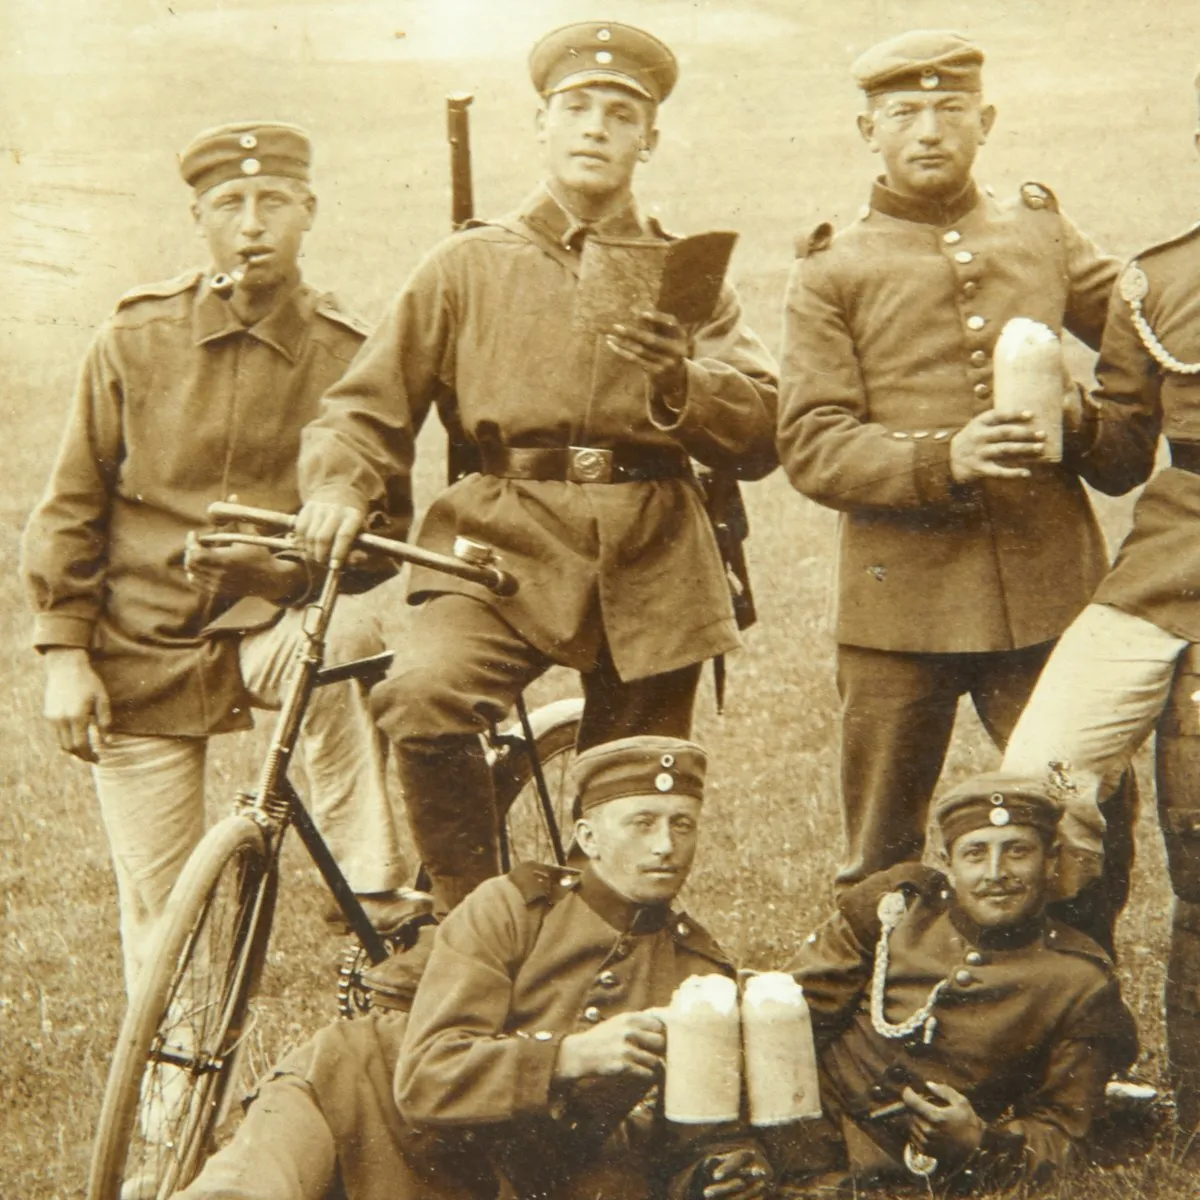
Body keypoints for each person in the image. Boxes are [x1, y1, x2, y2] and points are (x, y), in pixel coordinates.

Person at [291, 20, 778, 914]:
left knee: (634, 790)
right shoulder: (468, 263)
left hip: (654, 557)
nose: (596, 126)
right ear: (542, 127)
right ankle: (471, 921)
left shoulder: (687, 275)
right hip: (500, 549)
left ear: (649, 140)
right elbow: (365, 405)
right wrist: (336, 484)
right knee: (424, 698)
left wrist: (683, 377)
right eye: (576, 108)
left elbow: (761, 431)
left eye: (621, 113)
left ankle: (608, 957)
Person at [20, 122, 417, 993]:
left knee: (344, 635)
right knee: (161, 908)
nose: (252, 225)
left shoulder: (349, 353)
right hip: (140, 650)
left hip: (273, 635)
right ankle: (164, 1113)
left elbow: (385, 534)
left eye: (273, 201)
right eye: (228, 205)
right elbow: (70, 505)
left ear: (307, 211)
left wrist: (287, 577)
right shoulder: (133, 339)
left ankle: (374, 883)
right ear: (198, 218)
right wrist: (64, 656)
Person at [773, 29, 1147, 949]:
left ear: (986, 120)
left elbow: (1146, 340)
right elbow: (812, 443)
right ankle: (871, 1028)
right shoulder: (834, 268)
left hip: (1046, 592)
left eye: (949, 110)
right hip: (899, 609)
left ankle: (1079, 1019)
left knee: (1086, 815)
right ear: (869, 129)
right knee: (881, 843)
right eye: (904, 113)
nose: (928, 130)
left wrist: (1087, 423)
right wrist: (943, 458)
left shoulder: (1042, 233)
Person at [173, 735, 772, 1200]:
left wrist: (712, 1169)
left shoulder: (700, 970)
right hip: (357, 1095)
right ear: (588, 836)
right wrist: (569, 1056)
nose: (665, 845)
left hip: (482, 1175)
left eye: (682, 823)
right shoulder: (511, 907)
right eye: (642, 823)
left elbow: (694, 1128)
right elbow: (426, 1078)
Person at [1000, 64, 1200, 1136]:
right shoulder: (1160, 280)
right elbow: (1126, 456)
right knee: (1032, 782)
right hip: (1171, 564)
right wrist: (1068, 419)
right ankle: (1055, 1063)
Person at [768, 773, 1136, 1192]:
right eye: (975, 853)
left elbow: (1064, 1134)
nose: (996, 873)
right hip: (790, 1110)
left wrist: (978, 1141)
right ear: (947, 863)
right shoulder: (898, 910)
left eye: (1018, 851)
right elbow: (787, 1009)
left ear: (1051, 859)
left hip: (893, 1169)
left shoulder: (1079, 980)